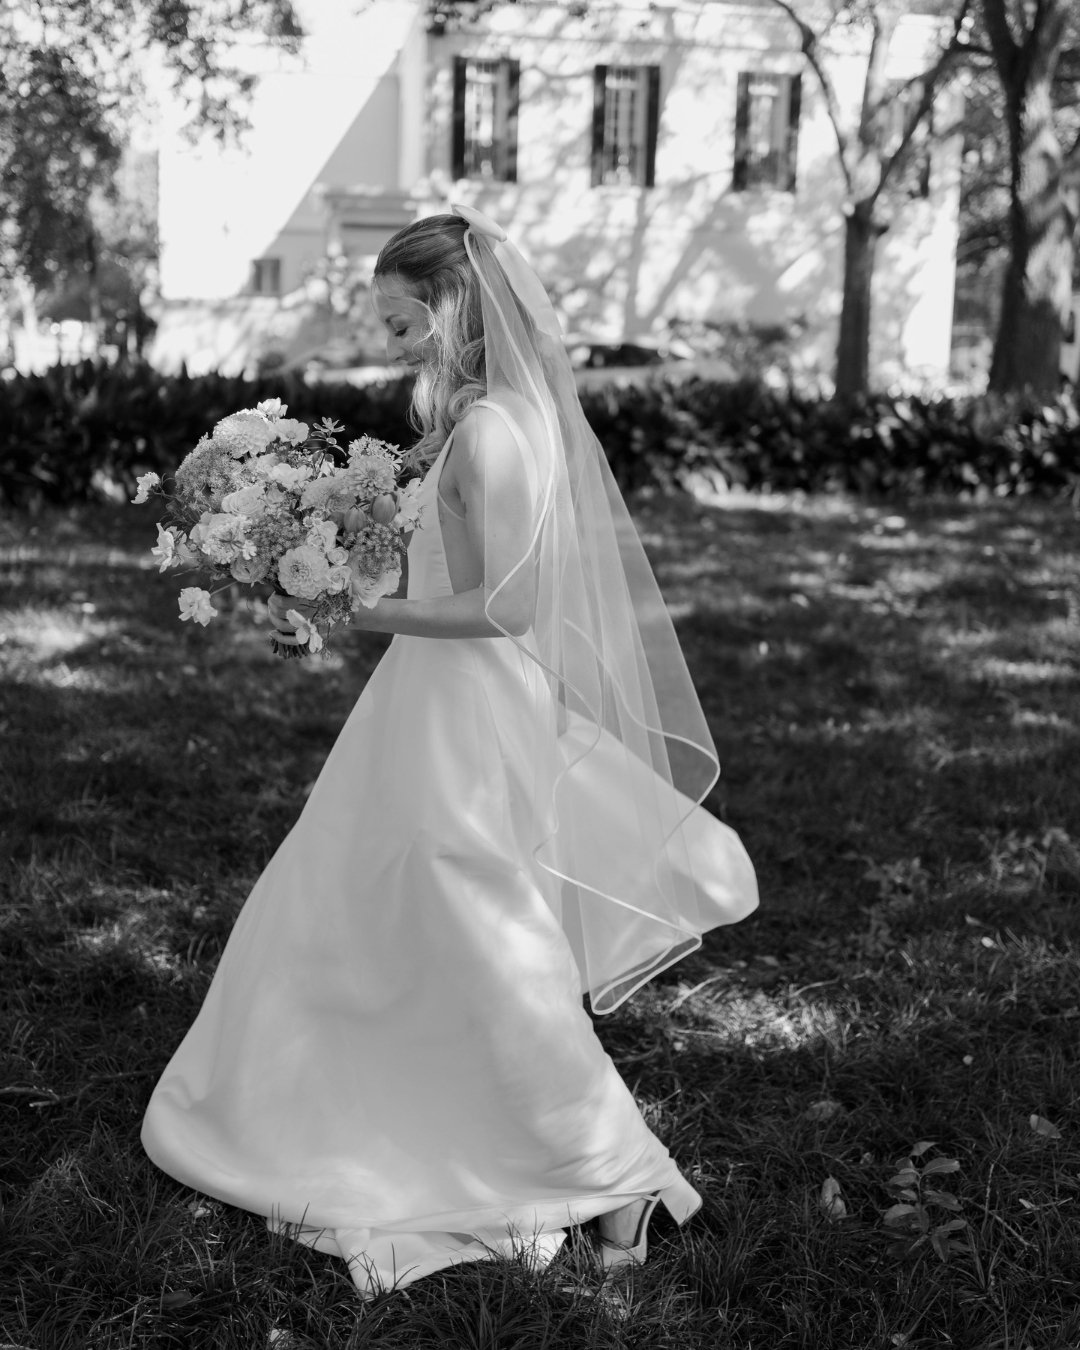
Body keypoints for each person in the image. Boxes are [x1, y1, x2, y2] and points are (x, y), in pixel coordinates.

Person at [141, 204, 758, 1297]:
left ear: (452, 306)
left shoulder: (490, 431)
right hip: (430, 702)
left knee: (475, 927)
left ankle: (610, 1171)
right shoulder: (484, 418)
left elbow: (510, 604)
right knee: (389, 906)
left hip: (463, 711)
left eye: (399, 319)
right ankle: (389, 1105)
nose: (389, 342)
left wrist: (360, 609)